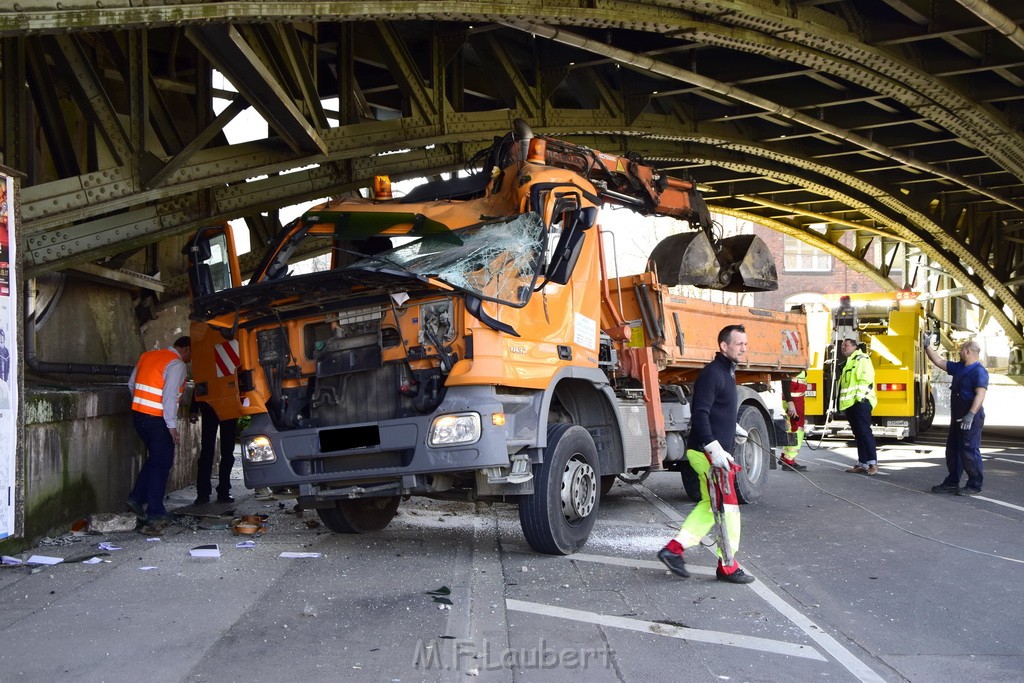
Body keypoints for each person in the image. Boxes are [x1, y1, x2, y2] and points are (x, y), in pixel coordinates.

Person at [657, 324, 755, 584]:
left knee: (710, 507)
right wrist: (713, 447)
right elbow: (699, 413)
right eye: (739, 344)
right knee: (729, 511)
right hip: (707, 454)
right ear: (724, 346)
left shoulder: (727, 373)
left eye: (745, 343)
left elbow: (715, 411)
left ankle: (674, 550)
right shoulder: (713, 374)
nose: (744, 348)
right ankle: (728, 566)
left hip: (711, 452)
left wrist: (733, 427)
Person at [126, 336, 191, 532]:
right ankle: (155, 512)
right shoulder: (176, 364)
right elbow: (169, 396)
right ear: (186, 349)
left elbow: (131, 385)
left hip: (139, 416)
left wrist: (140, 406)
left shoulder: (148, 355)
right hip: (158, 420)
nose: (190, 359)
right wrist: (171, 427)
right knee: (162, 463)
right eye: (191, 354)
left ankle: (137, 498)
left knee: (155, 460)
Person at [923, 336, 988, 496]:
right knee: (953, 450)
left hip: (970, 418)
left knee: (969, 451)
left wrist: (971, 415)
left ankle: (974, 484)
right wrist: (927, 347)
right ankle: (952, 482)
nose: (959, 352)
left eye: (961, 350)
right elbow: (939, 361)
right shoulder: (960, 367)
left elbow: (980, 395)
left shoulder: (979, 372)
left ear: (968, 351)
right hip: (958, 418)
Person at [838, 337, 877, 475]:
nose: (843, 347)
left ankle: (872, 463)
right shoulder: (849, 362)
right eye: (842, 346)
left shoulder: (861, 359)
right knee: (859, 434)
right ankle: (862, 463)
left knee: (865, 432)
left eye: (846, 345)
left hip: (861, 402)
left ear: (854, 347)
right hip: (851, 404)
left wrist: (859, 399)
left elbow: (866, 380)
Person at [189, 400, 237, 505]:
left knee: (213, 453)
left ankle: (206, 493)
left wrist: (193, 409)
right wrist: (193, 409)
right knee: (220, 453)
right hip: (224, 407)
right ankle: (218, 492)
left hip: (216, 407)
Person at [779, 371, 807, 471]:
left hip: (794, 400)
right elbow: (785, 380)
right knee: (797, 429)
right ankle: (789, 459)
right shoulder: (795, 361)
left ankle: (785, 455)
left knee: (791, 428)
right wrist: (790, 403)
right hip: (794, 401)